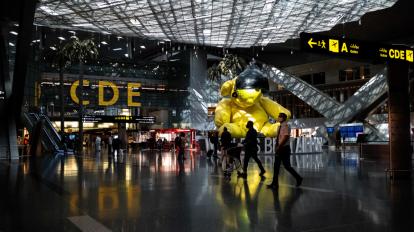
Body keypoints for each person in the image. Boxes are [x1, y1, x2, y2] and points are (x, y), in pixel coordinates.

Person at [268, 113, 302, 189]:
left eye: (279, 116)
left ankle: (298, 178)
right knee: (276, 166)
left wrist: (279, 146)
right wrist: (275, 140)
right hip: (281, 148)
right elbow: (280, 137)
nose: (278, 118)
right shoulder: (279, 126)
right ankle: (274, 184)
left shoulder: (285, 126)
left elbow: (286, 137)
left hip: (283, 148)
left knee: (286, 166)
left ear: (283, 118)